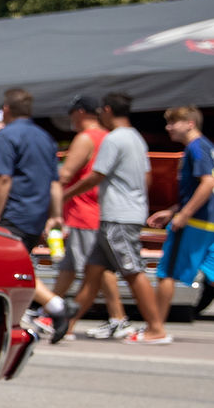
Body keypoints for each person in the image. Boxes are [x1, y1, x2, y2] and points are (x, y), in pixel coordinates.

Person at [64, 93, 169, 343]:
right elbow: (146, 177)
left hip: (117, 217)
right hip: (125, 213)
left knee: (132, 270)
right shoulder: (136, 137)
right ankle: (66, 326)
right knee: (93, 272)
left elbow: (95, 176)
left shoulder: (114, 139)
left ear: (108, 110)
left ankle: (156, 329)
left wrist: (65, 195)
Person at [0, 87, 70, 339]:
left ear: (7, 109)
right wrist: (55, 214)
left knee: (9, 270)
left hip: (13, 213)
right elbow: (55, 182)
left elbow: (2, 179)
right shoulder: (45, 137)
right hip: (36, 215)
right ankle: (34, 314)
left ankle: (55, 308)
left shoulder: (6, 137)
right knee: (16, 269)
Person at [55, 95, 130, 338]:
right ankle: (52, 309)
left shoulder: (85, 138)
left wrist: (56, 200)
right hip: (98, 209)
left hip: (82, 212)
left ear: (80, 112)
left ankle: (117, 317)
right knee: (80, 266)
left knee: (95, 268)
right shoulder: (107, 137)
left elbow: (65, 175)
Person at [148, 105, 214, 329]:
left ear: (189, 124)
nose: (168, 127)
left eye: (173, 122)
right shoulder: (207, 147)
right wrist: (173, 210)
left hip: (196, 224)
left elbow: (208, 183)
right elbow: (203, 188)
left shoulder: (196, 148)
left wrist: (184, 214)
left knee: (166, 273)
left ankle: (155, 330)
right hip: (213, 224)